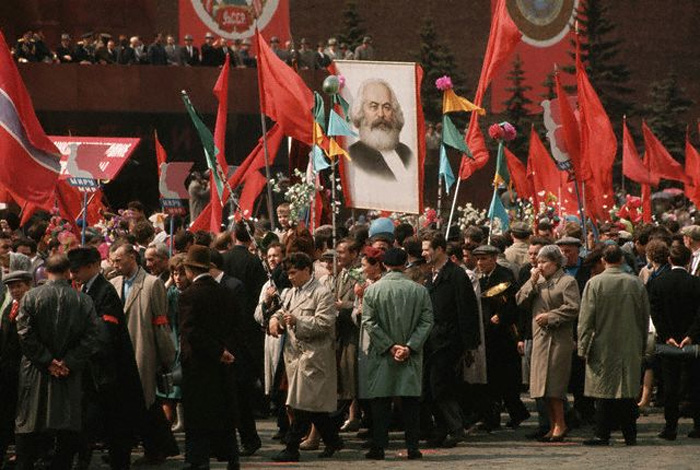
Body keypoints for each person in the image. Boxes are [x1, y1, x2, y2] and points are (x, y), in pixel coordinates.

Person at [14, 255, 99, 470]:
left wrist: (47, 360)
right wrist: (67, 361)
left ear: (45, 271)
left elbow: (24, 333)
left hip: (35, 371)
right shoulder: (83, 300)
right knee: (66, 427)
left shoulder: (30, 298)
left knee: (29, 425)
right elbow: (91, 336)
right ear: (69, 271)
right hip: (67, 372)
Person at [68, 247, 144, 470]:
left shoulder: (104, 292)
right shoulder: (87, 290)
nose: (74, 275)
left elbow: (105, 335)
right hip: (95, 373)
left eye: (78, 270)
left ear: (92, 266)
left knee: (115, 427)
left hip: (110, 373)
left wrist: (80, 352)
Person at [268, 252, 343, 462]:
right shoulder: (291, 293)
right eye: (288, 273)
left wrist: (298, 321)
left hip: (314, 357)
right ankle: (333, 440)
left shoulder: (322, 293)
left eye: (294, 273)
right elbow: (280, 312)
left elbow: (325, 324)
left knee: (302, 404)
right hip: (294, 357)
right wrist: (276, 321)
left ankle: (292, 446)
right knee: (313, 407)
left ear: (307, 270)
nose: (290, 277)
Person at [109, 243, 178, 464]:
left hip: (143, 351)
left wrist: (165, 356)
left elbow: (161, 323)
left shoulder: (151, 284)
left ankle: (157, 448)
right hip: (119, 355)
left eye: (119, 260)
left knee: (146, 402)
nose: (115, 265)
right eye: (113, 261)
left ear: (132, 257)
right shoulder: (113, 284)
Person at [361, 247, 433, 460]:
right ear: (405, 264)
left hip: (382, 354)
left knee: (381, 400)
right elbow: (427, 321)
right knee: (410, 400)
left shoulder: (372, 291)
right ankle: (412, 446)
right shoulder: (419, 290)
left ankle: (379, 446)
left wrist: (389, 346)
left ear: (384, 264)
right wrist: (409, 346)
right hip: (411, 354)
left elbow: (369, 322)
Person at [578, 245, 650, 446]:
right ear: (622, 260)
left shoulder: (594, 284)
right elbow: (644, 318)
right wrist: (642, 344)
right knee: (627, 391)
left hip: (603, 343)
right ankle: (630, 434)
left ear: (603, 260)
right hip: (630, 342)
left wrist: (582, 347)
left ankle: (602, 433)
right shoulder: (636, 284)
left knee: (603, 392)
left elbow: (586, 319)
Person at [178, 246, 240, 470]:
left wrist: (215, 351)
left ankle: (198, 459)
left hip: (198, 364)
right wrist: (225, 351)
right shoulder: (225, 291)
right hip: (224, 362)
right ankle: (231, 457)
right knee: (224, 413)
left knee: (197, 415)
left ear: (189, 270)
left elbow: (191, 331)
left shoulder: (189, 295)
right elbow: (235, 325)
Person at [516, 245, 580, 442]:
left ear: (555, 263)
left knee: (554, 385)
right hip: (540, 339)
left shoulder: (567, 281)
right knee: (541, 386)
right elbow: (519, 300)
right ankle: (552, 425)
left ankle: (561, 424)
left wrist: (551, 316)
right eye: (539, 262)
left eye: (544, 262)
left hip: (558, 339)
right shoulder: (538, 281)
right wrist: (532, 281)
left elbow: (573, 307)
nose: (540, 265)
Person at [422, 232, 480, 447]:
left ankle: (453, 428)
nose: (424, 253)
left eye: (427, 248)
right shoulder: (429, 275)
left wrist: (469, 345)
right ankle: (445, 428)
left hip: (449, 340)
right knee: (431, 387)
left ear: (439, 249)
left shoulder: (456, 275)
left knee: (440, 386)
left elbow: (467, 310)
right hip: (431, 340)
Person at [473, 244, 530, 430]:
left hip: (504, 336)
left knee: (506, 381)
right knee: (491, 382)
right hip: (487, 334)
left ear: (494, 258)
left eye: (484, 259)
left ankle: (517, 413)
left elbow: (512, 303)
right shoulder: (479, 277)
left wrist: (501, 315)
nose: (480, 263)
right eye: (478, 259)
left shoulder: (504, 276)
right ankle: (492, 418)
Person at [647, 244, 700, 440]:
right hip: (692, 341)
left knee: (670, 386)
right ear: (688, 261)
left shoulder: (658, 283)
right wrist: (691, 335)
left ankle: (670, 427)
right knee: (695, 383)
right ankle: (698, 425)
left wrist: (666, 334)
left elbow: (655, 312)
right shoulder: (695, 283)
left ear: (670, 260)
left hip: (668, 342)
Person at [0, 271, 33, 467]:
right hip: (7, 370)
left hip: (25, 369)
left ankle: (24, 454)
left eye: (18, 286)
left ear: (29, 285)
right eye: (11, 287)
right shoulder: (8, 309)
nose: (15, 290)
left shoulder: (32, 306)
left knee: (23, 415)